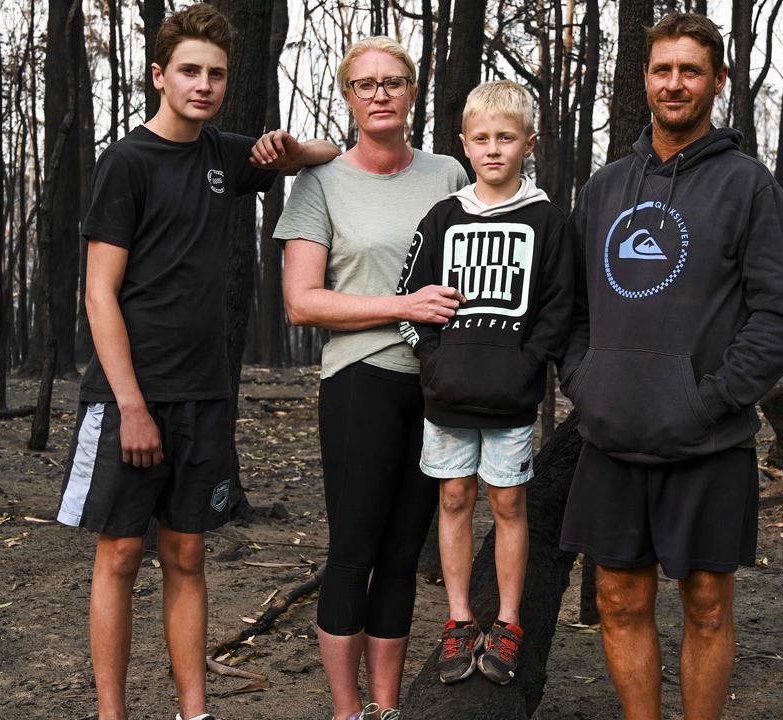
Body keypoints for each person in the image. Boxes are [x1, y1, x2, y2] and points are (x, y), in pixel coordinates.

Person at [54, 6, 339, 720]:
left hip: (204, 396)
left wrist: (285, 147)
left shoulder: (224, 156)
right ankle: (111, 714)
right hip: (128, 397)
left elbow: (332, 152)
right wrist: (131, 407)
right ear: (159, 75)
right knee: (119, 558)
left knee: (187, 558)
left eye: (216, 74)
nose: (204, 85)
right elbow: (97, 293)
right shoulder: (126, 163)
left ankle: (195, 712)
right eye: (189, 71)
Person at [558, 12, 783, 720]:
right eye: (662, 70)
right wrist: (586, 381)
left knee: (706, 606)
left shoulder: (749, 188)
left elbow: (780, 317)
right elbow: (570, 308)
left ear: (717, 80)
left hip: (706, 439)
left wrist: (711, 399)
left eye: (690, 71)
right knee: (617, 598)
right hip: (610, 436)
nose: (675, 84)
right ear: (645, 80)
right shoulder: (605, 188)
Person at [274, 36, 469, 720]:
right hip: (360, 382)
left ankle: (385, 708)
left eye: (393, 82)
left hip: (437, 387)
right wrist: (402, 305)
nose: (380, 93)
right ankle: (345, 710)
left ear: (413, 92)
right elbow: (302, 301)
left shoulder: (450, 173)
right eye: (365, 84)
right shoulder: (321, 182)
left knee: (401, 554)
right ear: (349, 97)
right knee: (353, 549)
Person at [395, 80, 571, 686]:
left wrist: (529, 366)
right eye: (482, 139)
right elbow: (407, 302)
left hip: (512, 396)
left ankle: (510, 621)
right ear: (464, 144)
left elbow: (557, 309)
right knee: (452, 500)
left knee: (508, 503)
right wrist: (434, 361)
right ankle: (459, 619)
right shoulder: (443, 217)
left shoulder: (548, 221)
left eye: (506, 138)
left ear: (529, 143)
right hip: (447, 393)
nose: (493, 149)